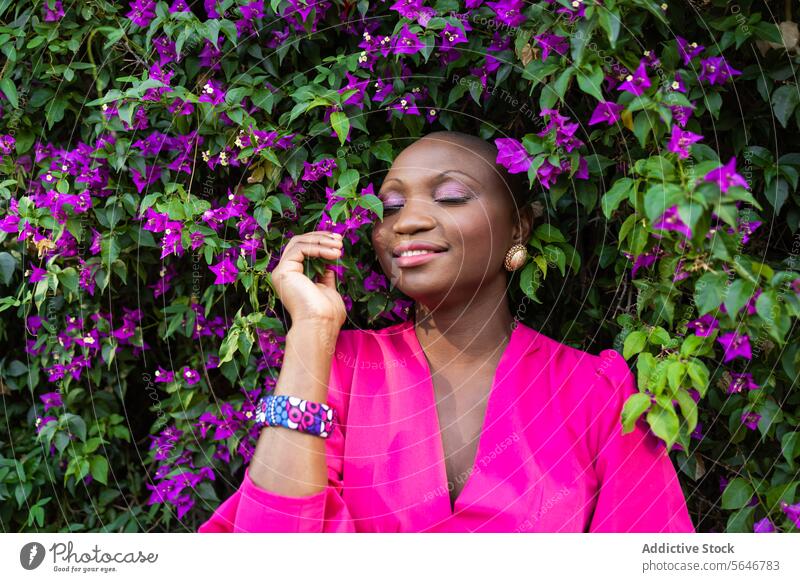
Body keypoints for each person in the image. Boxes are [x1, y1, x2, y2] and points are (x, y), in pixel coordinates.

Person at [197, 131, 695, 533]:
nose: (407, 221)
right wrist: (310, 329)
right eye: (390, 206)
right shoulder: (340, 366)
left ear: (518, 228)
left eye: (451, 196)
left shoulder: (593, 389)